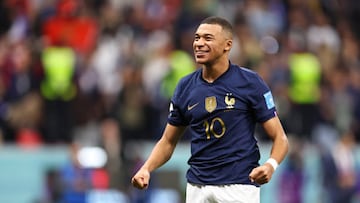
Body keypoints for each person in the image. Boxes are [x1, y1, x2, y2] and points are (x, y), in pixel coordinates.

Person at [131, 16, 289, 203]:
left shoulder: (250, 83)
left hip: (238, 186)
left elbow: (280, 138)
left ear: (227, 45)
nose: (199, 43)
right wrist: (146, 168)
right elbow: (167, 141)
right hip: (197, 188)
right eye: (197, 38)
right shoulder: (185, 87)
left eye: (207, 38)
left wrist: (270, 165)